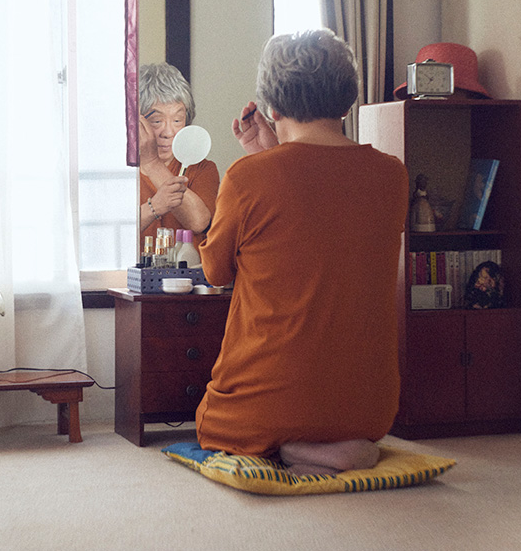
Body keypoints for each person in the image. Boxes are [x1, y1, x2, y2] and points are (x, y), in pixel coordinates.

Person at [195, 29, 409, 475]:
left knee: (210, 427)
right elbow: (321, 216)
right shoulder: (392, 176)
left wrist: (260, 160)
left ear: (272, 107)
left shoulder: (246, 177)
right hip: (367, 411)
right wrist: (270, 154)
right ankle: (339, 446)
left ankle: (293, 448)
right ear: (348, 102)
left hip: (268, 406)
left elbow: (215, 271)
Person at [137, 63, 219, 252]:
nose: (168, 132)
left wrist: (152, 164)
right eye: (157, 121)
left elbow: (199, 222)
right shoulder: (120, 171)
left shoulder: (201, 169)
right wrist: (154, 207)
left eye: (177, 120)